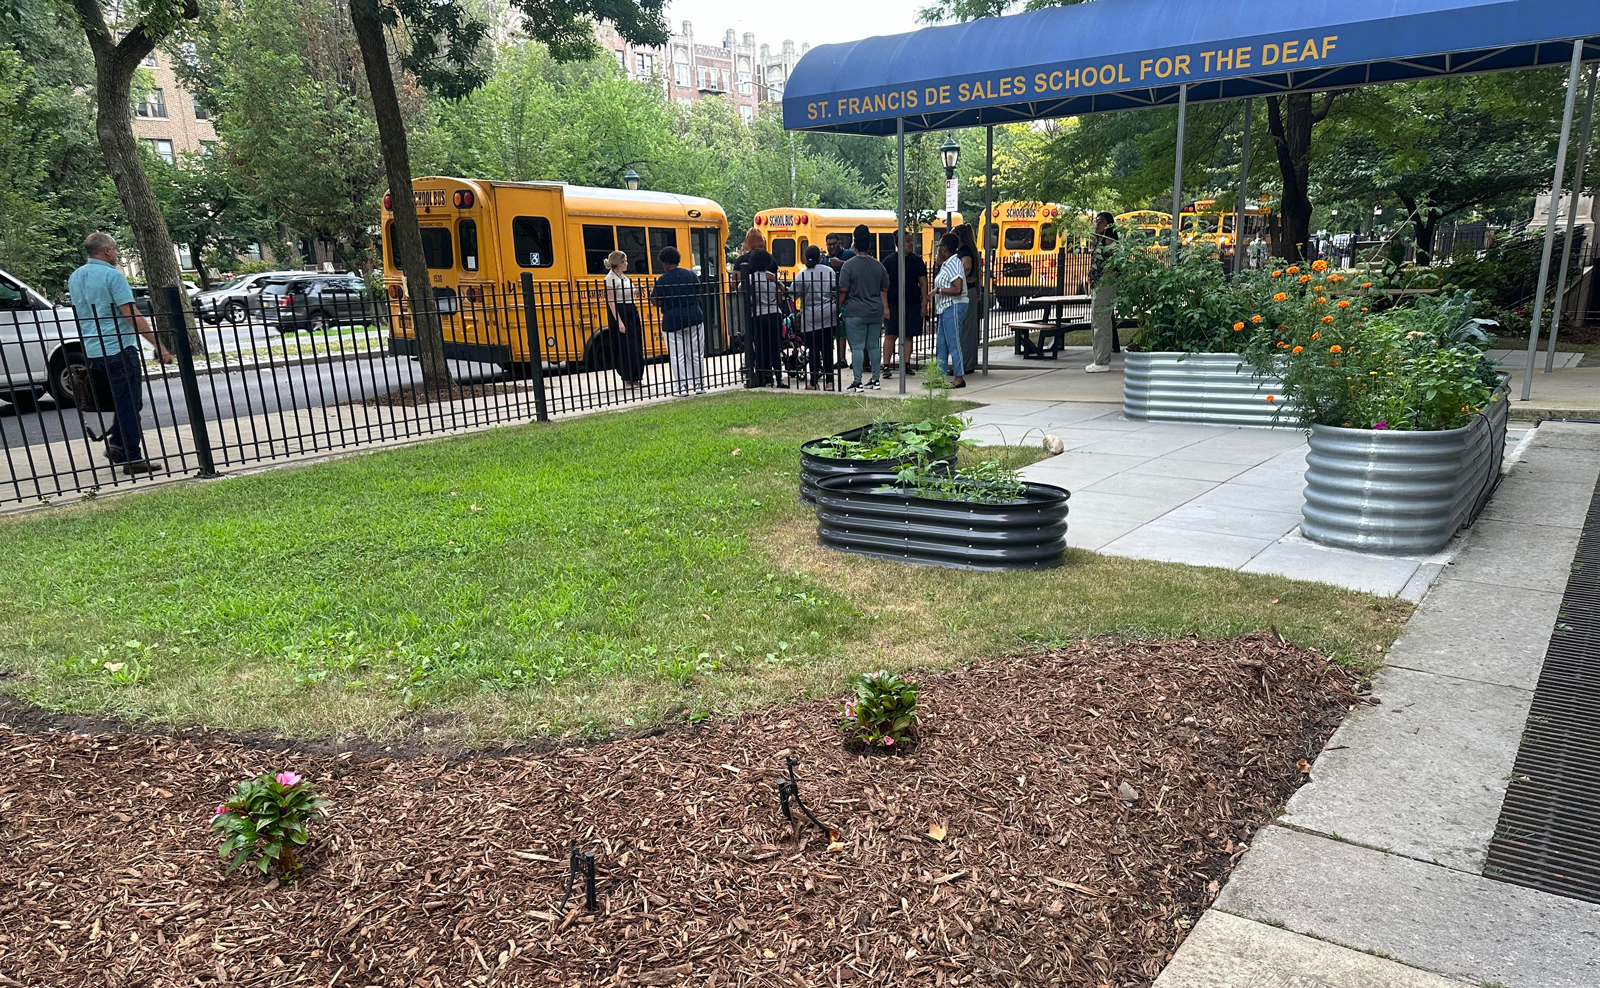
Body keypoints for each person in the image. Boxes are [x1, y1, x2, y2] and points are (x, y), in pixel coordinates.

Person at [68, 232, 172, 474]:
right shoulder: (112, 276)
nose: (116, 253)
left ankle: (117, 445)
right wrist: (158, 345)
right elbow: (131, 313)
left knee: (124, 402)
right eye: (114, 249)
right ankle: (132, 458)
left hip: (93, 349)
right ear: (106, 251)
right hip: (118, 348)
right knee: (129, 403)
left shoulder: (75, 277)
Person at [836, 224, 888, 392]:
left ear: (854, 244)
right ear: (870, 244)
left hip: (855, 311)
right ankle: (875, 379)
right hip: (875, 310)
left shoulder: (849, 265)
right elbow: (884, 287)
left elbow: (843, 290)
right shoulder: (878, 265)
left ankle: (858, 381)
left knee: (857, 347)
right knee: (873, 345)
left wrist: (838, 308)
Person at [648, 245, 706, 395]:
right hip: (694, 316)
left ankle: (682, 387)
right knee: (696, 353)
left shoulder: (663, 279)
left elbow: (657, 301)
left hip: (672, 320)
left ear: (666, 263)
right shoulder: (690, 274)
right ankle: (699, 384)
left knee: (677, 354)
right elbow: (698, 290)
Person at [881, 230, 927, 380]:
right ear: (900, 243)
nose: (910, 244)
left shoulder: (917, 261)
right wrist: (885, 307)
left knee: (909, 335)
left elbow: (923, 282)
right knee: (890, 335)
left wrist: (924, 303)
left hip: (912, 302)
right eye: (908, 241)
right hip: (893, 303)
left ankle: (906, 364)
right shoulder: (888, 261)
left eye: (911, 241)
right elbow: (883, 287)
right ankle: (886, 365)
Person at [793, 244, 838, 390]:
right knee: (827, 349)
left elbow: (793, 294)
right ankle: (830, 381)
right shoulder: (829, 271)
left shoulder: (803, 274)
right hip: (827, 313)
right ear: (820, 256)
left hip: (810, 315)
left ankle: (813, 381)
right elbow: (834, 290)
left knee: (813, 349)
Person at [744, 246, 786, 387]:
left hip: (758, 315)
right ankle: (779, 378)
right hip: (774, 315)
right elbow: (782, 296)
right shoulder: (773, 277)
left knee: (761, 348)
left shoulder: (751, 278)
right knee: (775, 348)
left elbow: (739, 289)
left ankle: (762, 378)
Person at [603, 250, 645, 388]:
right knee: (626, 346)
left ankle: (636, 376)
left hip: (631, 309)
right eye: (625, 261)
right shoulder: (610, 278)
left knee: (636, 345)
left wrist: (638, 289)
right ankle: (627, 378)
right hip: (621, 311)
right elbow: (611, 300)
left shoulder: (624, 277)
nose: (627, 263)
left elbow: (628, 292)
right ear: (620, 263)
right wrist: (619, 321)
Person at [930, 233, 968, 388]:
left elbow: (957, 288)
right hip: (945, 307)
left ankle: (959, 377)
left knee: (953, 342)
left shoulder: (953, 263)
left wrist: (938, 291)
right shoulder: (947, 263)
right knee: (941, 343)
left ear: (945, 248)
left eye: (940, 246)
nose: (938, 249)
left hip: (953, 305)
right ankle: (939, 375)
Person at [1086, 211, 1120, 373]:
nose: (1097, 224)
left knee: (1101, 320)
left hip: (1105, 283)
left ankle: (1101, 360)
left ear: (1109, 224)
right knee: (1096, 320)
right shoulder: (1098, 241)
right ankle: (1098, 359)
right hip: (1098, 283)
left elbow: (1113, 264)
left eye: (1101, 221)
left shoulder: (1109, 242)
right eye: (1096, 221)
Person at [954, 223, 984, 375]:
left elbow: (965, 268)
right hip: (969, 292)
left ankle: (964, 364)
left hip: (965, 294)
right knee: (969, 329)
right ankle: (969, 361)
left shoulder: (964, 253)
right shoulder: (969, 251)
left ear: (960, 237)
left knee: (964, 329)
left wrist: (957, 280)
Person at [825, 233, 855, 369]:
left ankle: (856, 358)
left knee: (850, 331)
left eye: (834, 244)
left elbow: (857, 265)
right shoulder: (825, 260)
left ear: (839, 243)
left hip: (849, 297)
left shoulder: (848, 255)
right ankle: (841, 359)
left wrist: (840, 264)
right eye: (829, 245)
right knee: (839, 331)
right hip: (832, 298)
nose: (831, 247)